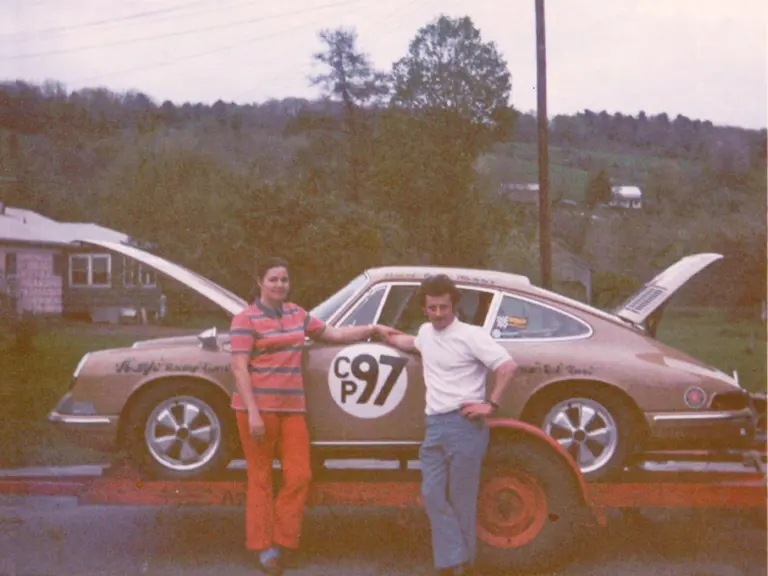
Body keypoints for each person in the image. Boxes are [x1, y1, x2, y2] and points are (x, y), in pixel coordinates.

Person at [230, 256, 392, 575]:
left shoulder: (297, 314)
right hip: (257, 410)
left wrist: (373, 329)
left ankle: (285, 541)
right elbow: (239, 365)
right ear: (260, 281)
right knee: (260, 479)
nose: (280, 285)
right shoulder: (244, 319)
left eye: (284, 279)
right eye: (273, 279)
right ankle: (263, 549)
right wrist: (252, 413)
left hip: (292, 409)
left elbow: (332, 334)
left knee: (300, 475)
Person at [383, 274, 517, 576]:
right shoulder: (425, 333)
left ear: (454, 305)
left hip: (464, 426)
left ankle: (458, 567)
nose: (439, 314)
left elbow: (508, 366)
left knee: (461, 498)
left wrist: (490, 404)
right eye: (432, 308)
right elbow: (408, 341)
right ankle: (454, 557)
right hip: (434, 425)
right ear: (424, 308)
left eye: (444, 307)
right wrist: (381, 332)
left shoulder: (471, 335)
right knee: (431, 493)